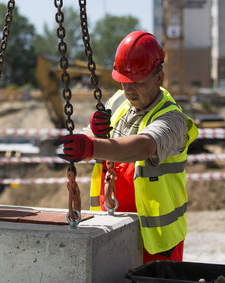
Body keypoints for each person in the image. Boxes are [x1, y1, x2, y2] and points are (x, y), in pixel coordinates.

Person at [55, 31, 198, 263]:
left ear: (159, 78)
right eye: (124, 82)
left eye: (138, 83)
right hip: (111, 226)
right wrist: (91, 133)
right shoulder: (119, 100)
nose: (130, 90)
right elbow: (96, 142)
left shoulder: (173, 119)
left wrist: (90, 146)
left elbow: (142, 147)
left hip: (157, 242)